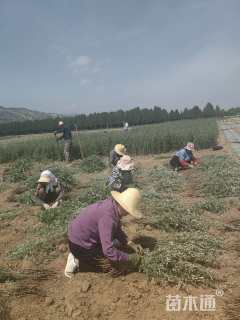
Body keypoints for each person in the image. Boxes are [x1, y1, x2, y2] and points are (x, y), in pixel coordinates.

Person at [64, 188, 144, 278]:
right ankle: (77, 261)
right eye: (128, 210)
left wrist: (130, 242)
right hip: (79, 245)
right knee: (113, 268)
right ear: (122, 205)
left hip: (84, 237)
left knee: (115, 246)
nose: (128, 214)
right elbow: (108, 251)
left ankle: (89, 252)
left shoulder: (112, 205)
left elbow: (116, 229)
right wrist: (129, 258)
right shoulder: (108, 216)